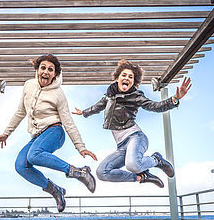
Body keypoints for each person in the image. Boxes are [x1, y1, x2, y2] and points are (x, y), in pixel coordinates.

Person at [0, 54, 97, 212]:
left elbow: (68, 121)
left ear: (55, 74)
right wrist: (6, 133)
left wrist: (80, 147)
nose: (46, 72)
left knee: (33, 155)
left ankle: (78, 172)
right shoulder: (28, 86)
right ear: (37, 69)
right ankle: (56, 190)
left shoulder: (58, 94)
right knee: (21, 166)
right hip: (37, 136)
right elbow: (20, 112)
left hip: (55, 131)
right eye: (43, 68)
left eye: (51, 69)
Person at [73, 59, 191, 188]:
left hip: (136, 137)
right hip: (122, 146)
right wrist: (83, 113)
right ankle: (142, 177)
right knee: (102, 172)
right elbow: (98, 107)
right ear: (117, 78)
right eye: (124, 75)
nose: (127, 78)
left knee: (133, 165)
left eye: (131, 77)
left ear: (133, 82)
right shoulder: (109, 96)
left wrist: (174, 99)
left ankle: (156, 160)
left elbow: (155, 106)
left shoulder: (136, 96)